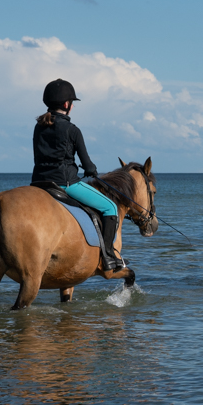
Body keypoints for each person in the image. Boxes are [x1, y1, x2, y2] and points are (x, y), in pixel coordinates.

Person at [32, 78, 124, 271]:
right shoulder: (72, 130)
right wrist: (92, 170)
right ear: (67, 105)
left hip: (38, 183)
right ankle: (108, 256)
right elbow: (88, 165)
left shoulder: (39, 126)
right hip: (65, 183)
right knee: (111, 208)